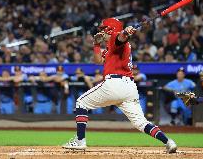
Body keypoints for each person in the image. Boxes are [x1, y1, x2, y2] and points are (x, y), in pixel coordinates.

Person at [62, 17, 177, 153]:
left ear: (110, 29)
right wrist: (96, 45)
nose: (101, 32)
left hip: (115, 84)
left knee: (81, 102)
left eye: (103, 29)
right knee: (141, 123)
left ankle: (80, 140)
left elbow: (121, 37)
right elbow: (98, 61)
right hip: (129, 88)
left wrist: (126, 32)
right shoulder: (110, 46)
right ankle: (169, 142)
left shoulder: (115, 38)